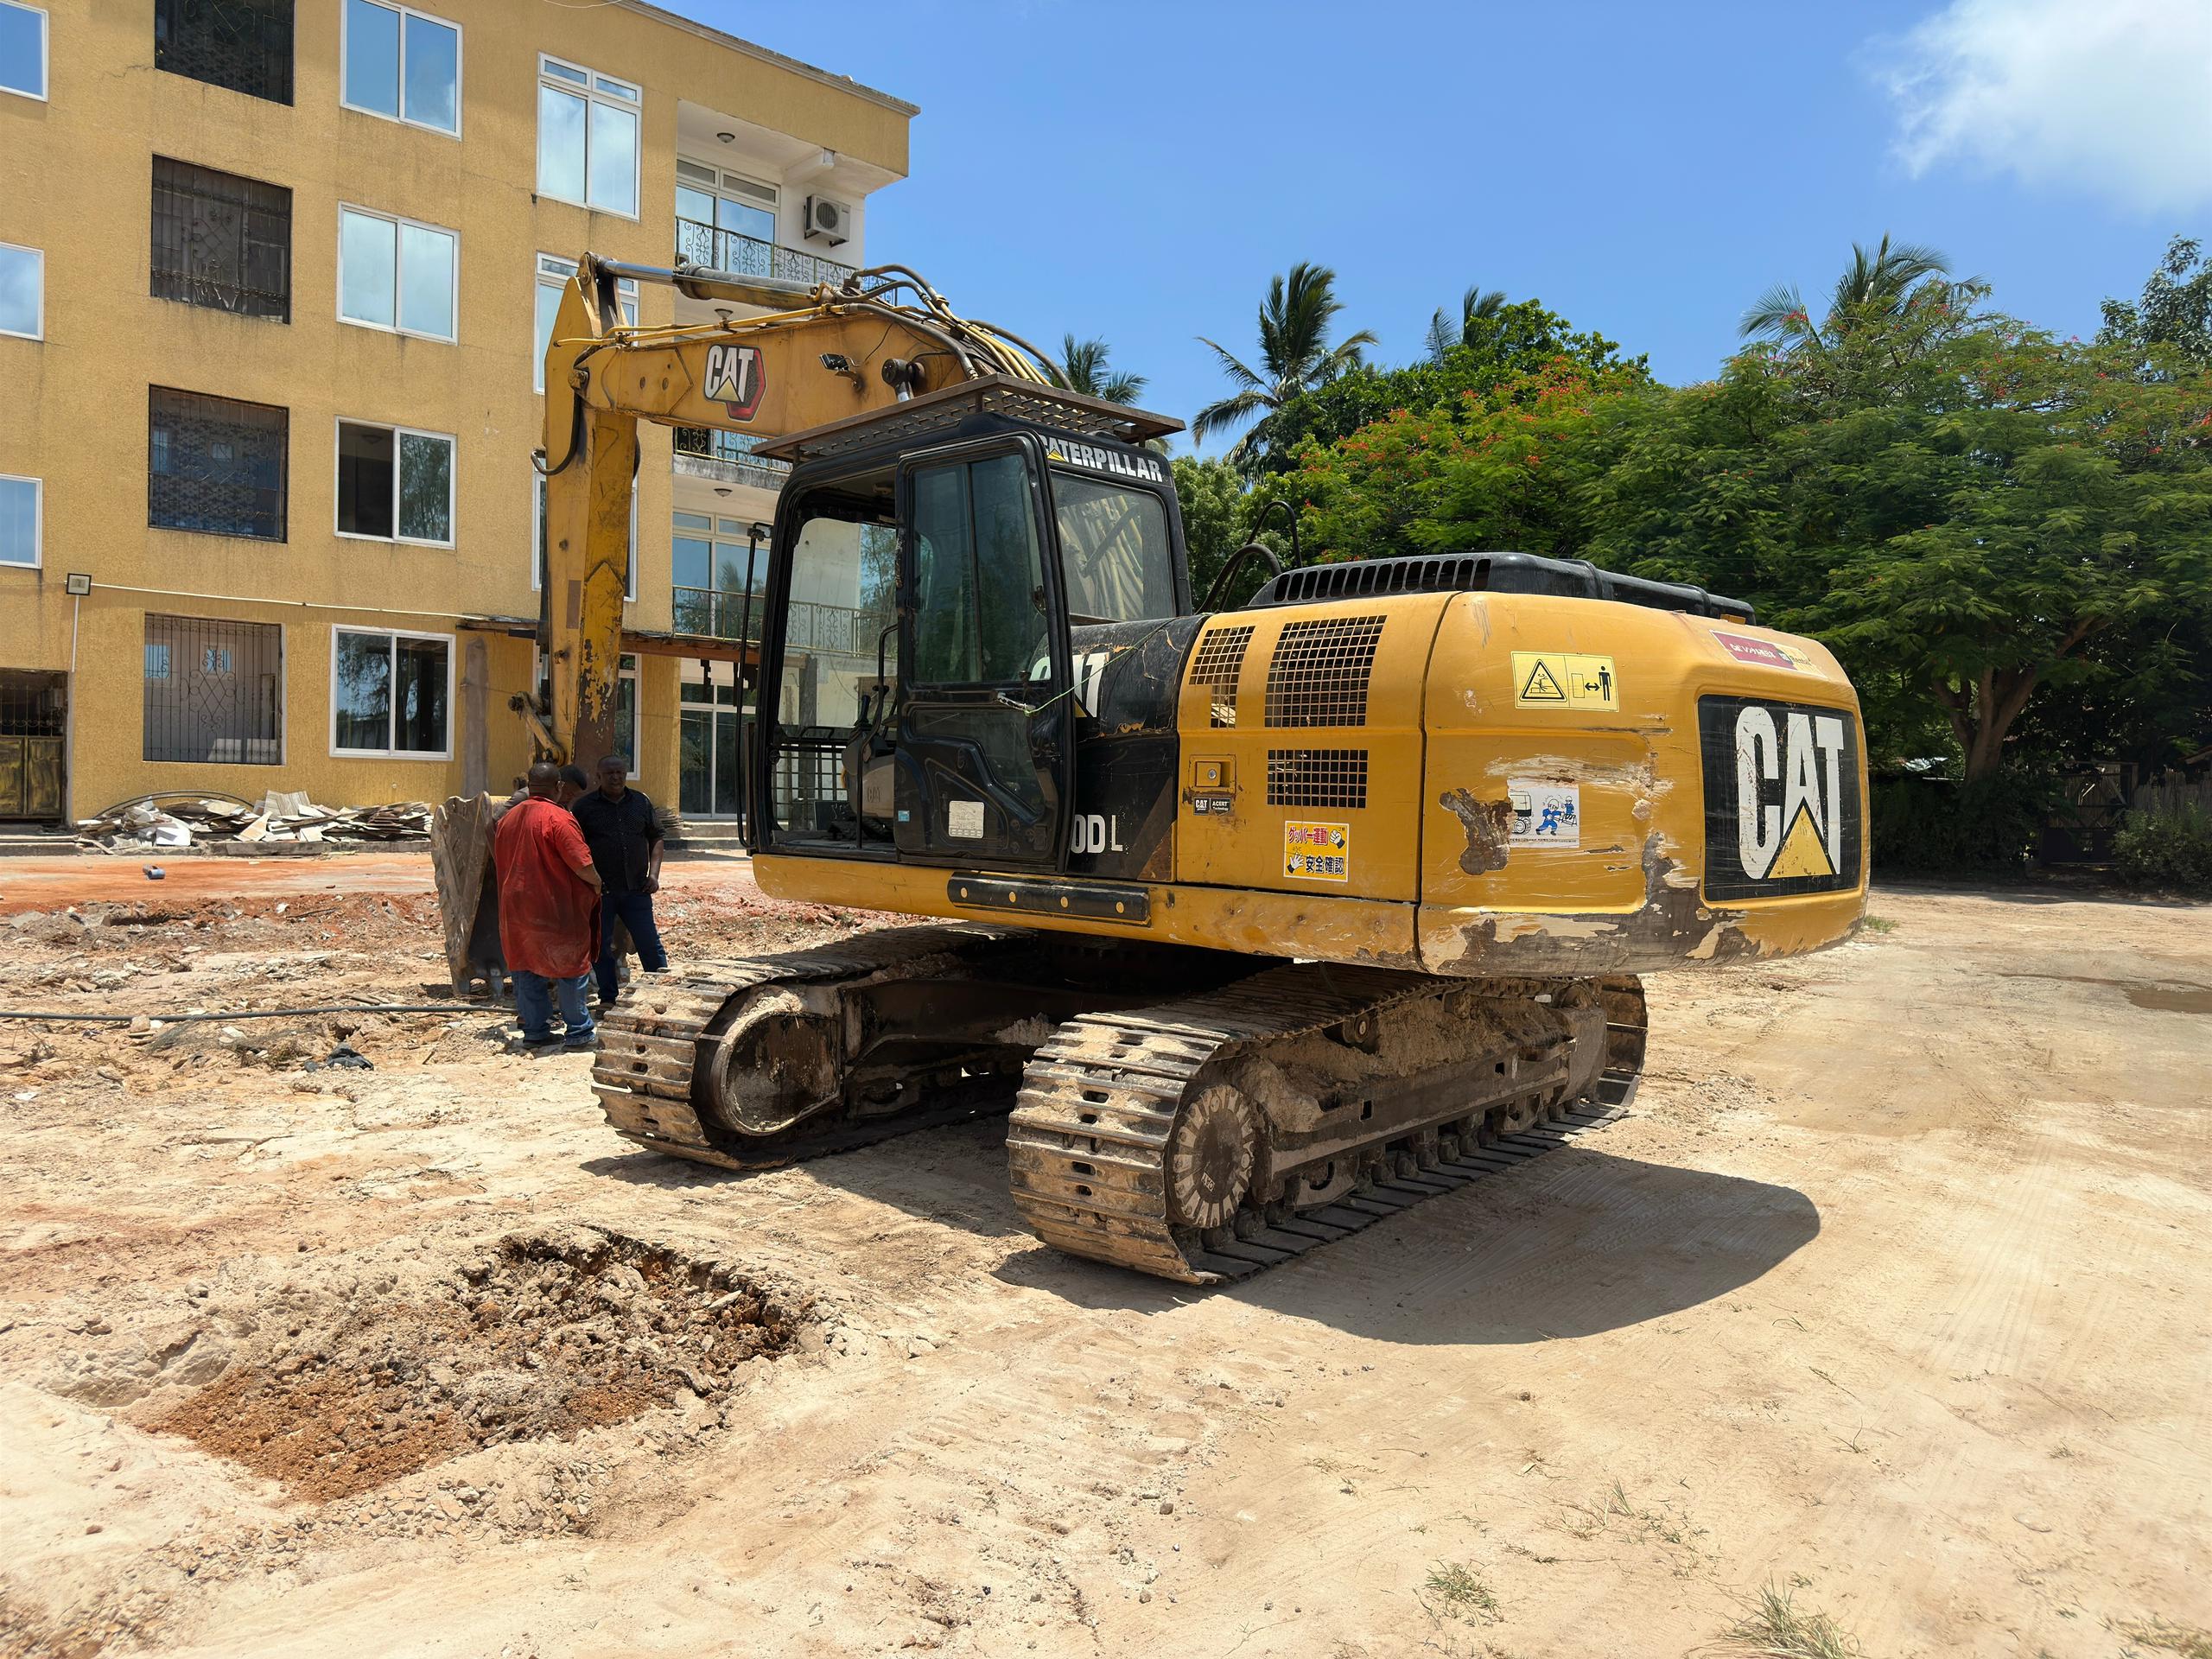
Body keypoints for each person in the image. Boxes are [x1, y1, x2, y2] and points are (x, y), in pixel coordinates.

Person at [493, 760, 603, 1051]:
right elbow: (581, 863)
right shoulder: (558, 818)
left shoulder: (507, 819)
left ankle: (536, 1031)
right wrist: (596, 883)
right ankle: (579, 1031)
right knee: (571, 967)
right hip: (555, 907)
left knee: (526, 966)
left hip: (515, 909)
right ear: (558, 787)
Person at [570, 753, 669, 1007]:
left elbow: (656, 837)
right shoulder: (584, 808)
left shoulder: (641, 803)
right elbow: (574, 846)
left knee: (649, 943)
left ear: (625, 774)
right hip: (601, 892)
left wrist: (654, 875)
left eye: (620, 773)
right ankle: (608, 998)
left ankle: (661, 994)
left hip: (637, 889)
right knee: (601, 948)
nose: (615, 778)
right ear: (598, 776)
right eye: (610, 773)